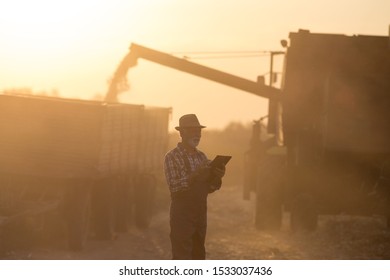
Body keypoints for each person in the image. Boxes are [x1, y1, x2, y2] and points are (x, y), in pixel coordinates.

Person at [164, 114, 226, 259]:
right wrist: (196, 173)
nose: (197, 134)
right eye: (193, 131)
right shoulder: (172, 157)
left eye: (199, 131)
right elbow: (174, 186)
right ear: (182, 133)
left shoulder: (202, 157)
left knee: (198, 255)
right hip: (182, 216)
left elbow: (209, 188)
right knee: (182, 256)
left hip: (200, 215)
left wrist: (217, 176)